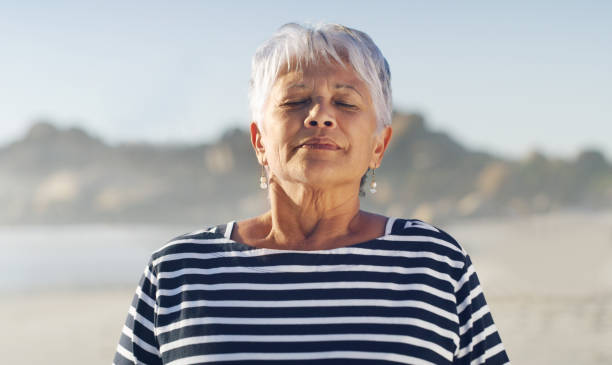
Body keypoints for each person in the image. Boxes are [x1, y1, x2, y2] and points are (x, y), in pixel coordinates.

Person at [113, 22, 510, 364]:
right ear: (259, 141)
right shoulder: (179, 270)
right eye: (296, 100)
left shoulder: (433, 262)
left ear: (378, 145)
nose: (319, 114)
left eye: (345, 101)